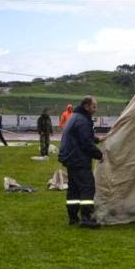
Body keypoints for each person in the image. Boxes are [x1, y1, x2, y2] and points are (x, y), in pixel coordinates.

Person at [58, 96, 103, 228]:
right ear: (86, 106)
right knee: (87, 187)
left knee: (74, 189)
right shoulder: (83, 120)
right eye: (94, 107)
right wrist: (99, 155)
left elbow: (81, 136)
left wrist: (96, 139)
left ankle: (73, 217)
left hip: (71, 158)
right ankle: (86, 218)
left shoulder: (75, 117)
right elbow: (85, 143)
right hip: (78, 159)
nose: (95, 110)